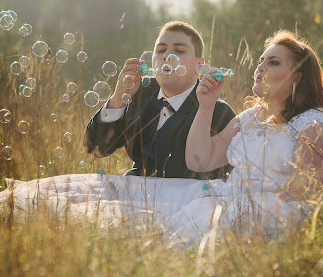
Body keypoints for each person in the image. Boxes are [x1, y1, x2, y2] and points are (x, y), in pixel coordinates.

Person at [0, 30, 323, 245]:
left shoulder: (317, 126)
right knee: (88, 202)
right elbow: (200, 160)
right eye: (261, 60)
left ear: (297, 76)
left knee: (154, 224)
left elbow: (304, 194)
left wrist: (241, 210)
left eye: (274, 62)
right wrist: (203, 105)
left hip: (264, 212)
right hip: (224, 196)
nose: (260, 67)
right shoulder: (249, 117)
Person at [83, 20, 236, 179]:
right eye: (161, 50)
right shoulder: (138, 93)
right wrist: (118, 99)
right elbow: (96, 147)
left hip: (188, 199)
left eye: (179, 50)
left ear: (200, 64)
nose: (167, 57)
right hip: (135, 191)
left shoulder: (217, 111)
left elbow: (221, 176)